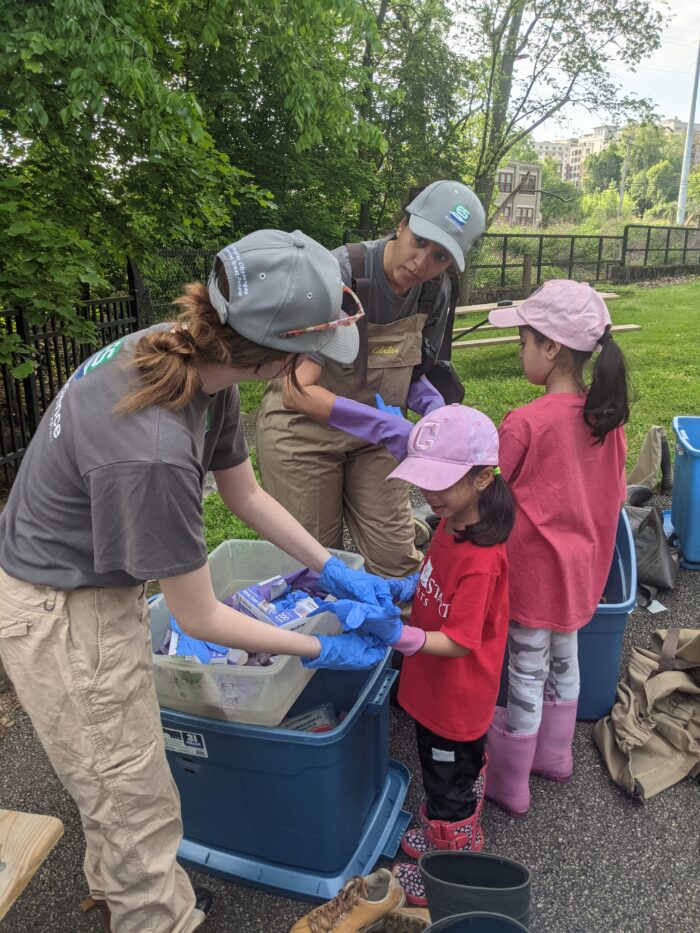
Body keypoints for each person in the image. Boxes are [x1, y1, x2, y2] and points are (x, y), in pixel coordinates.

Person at [0, 229, 400, 933]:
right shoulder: (151, 449)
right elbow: (201, 616)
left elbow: (245, 495)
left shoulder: (194, 358)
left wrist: (330, 565)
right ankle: (155, 914)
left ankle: (116, 883)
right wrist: (318, 649)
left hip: (85, 574)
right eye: (310, 354)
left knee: (114, 764)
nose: (312, 366)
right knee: (134, 792)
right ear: (277, 353)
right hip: (59, 607)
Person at [320, 404, 515, 907]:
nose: (428, 492)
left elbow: (461, 640)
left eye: (440, 481)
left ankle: (448, 860)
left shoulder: (482, 559)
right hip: (434, 688)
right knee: (440, 767)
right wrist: (403, 585)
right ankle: (453, 807)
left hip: (456, 698)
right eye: (422, 478)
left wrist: (402, 637)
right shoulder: (452, 524)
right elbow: (433, 579)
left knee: (446, 780)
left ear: (481, 479)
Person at [256, 181, 486, 580]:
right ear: (402, 224)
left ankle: (400, 638)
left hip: (377, 443)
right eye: (420, 241)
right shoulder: (340, 273)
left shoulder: (436, 291)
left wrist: (432, 408)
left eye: (441, 256)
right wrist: (383, 423)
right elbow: (295, 389)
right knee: (317, 565)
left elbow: (414, 368)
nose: (423, 262)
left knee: (395, 561)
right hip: (304, 435)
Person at [484, 280, 629, 817]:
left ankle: (511, 781)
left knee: (525, 669)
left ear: (551, 348)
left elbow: (491, 495)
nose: (519, 350)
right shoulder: (605, 420)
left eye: (523, 341)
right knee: (564, 659)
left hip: (531, 575)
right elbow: (611, 494)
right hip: (579, 573)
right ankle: (555, 756)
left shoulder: (525, 423)